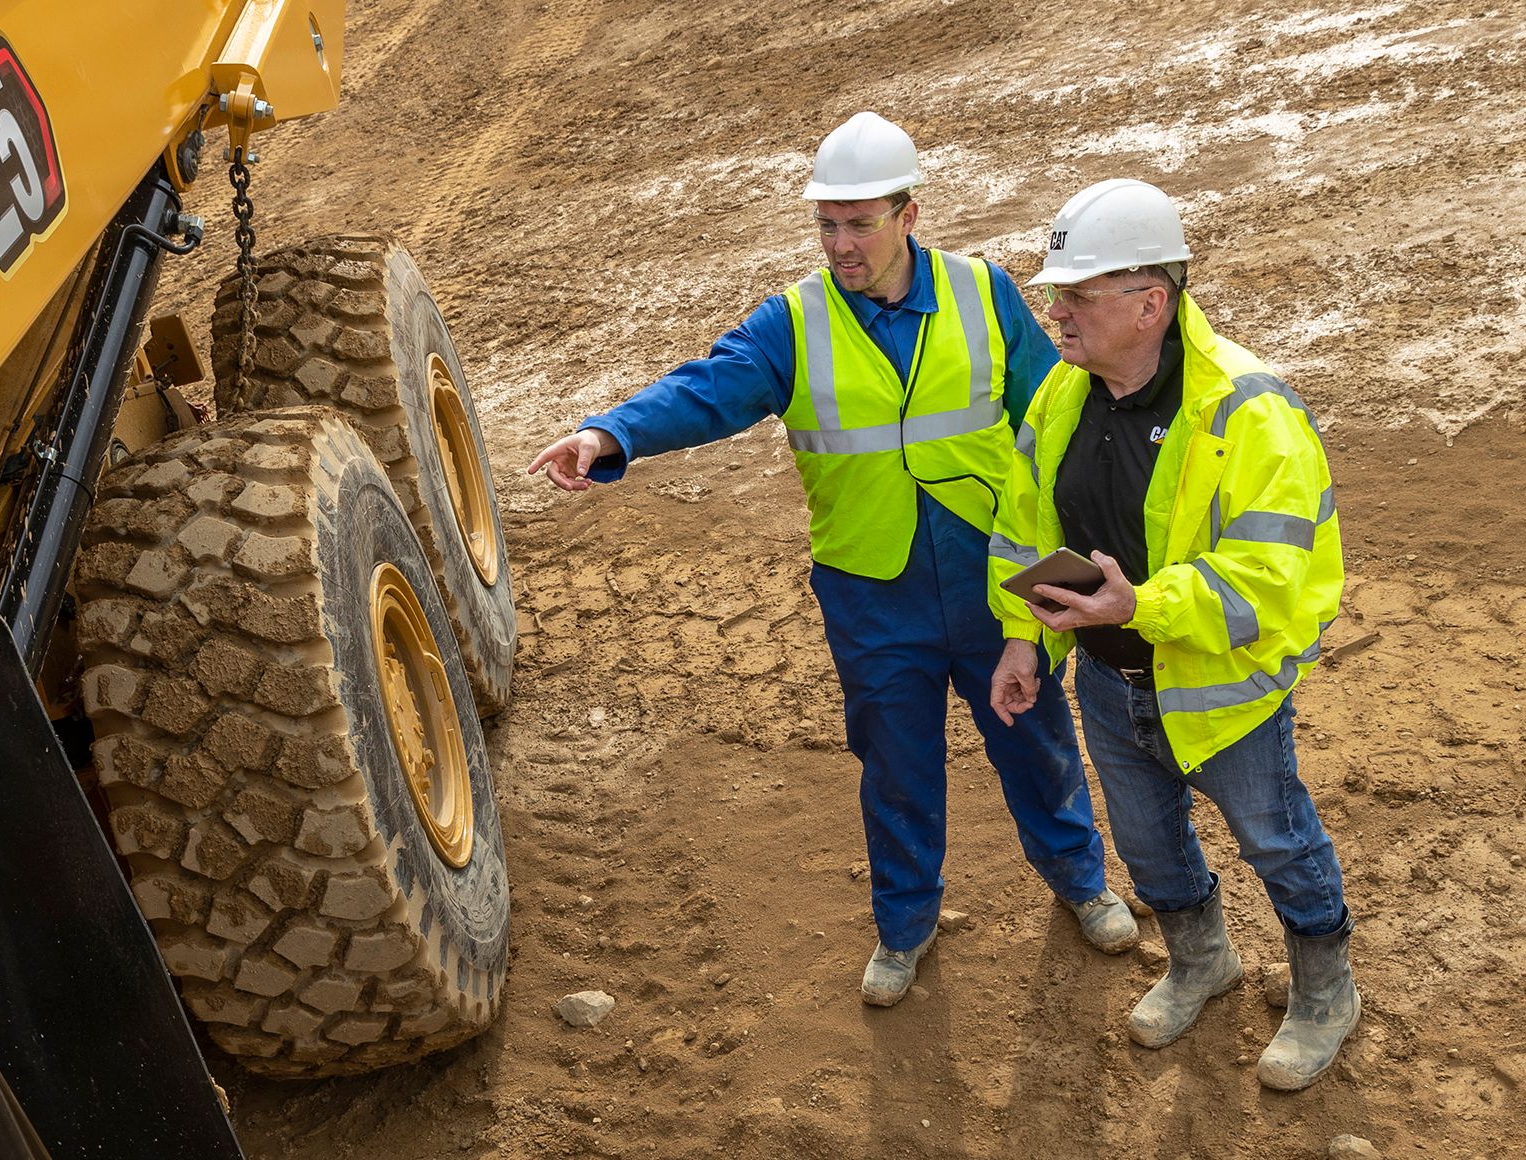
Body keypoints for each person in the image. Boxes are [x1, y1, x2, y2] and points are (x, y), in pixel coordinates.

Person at [526, 112, 1135, 1007]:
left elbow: (1059, 415)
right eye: (827, 225)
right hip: (868, 586)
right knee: (895, 761)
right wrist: (608, 432)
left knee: (1038, 735)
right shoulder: (794, 321)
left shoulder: (986, 293)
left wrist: (1083, 557)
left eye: (860, 223)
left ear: (908, 214)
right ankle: (904, 926)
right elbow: (709, 387)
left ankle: (1083, 881)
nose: (842, 244)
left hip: (1008, 565)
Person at [987, 178, 1355, 1090]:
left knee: (1277, 840)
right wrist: (1023, 638)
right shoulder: (1062, 399)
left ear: (1150, 303)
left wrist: (1139, 609)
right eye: (1055, 294)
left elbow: (1270, 578)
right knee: (1148, 842)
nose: (1056, 313)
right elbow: (1026, 530)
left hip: (1223, 689)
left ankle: (1325, 993)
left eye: (1076, 295)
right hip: (1110, 684)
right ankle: (1202, 961)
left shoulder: (1248, 409)